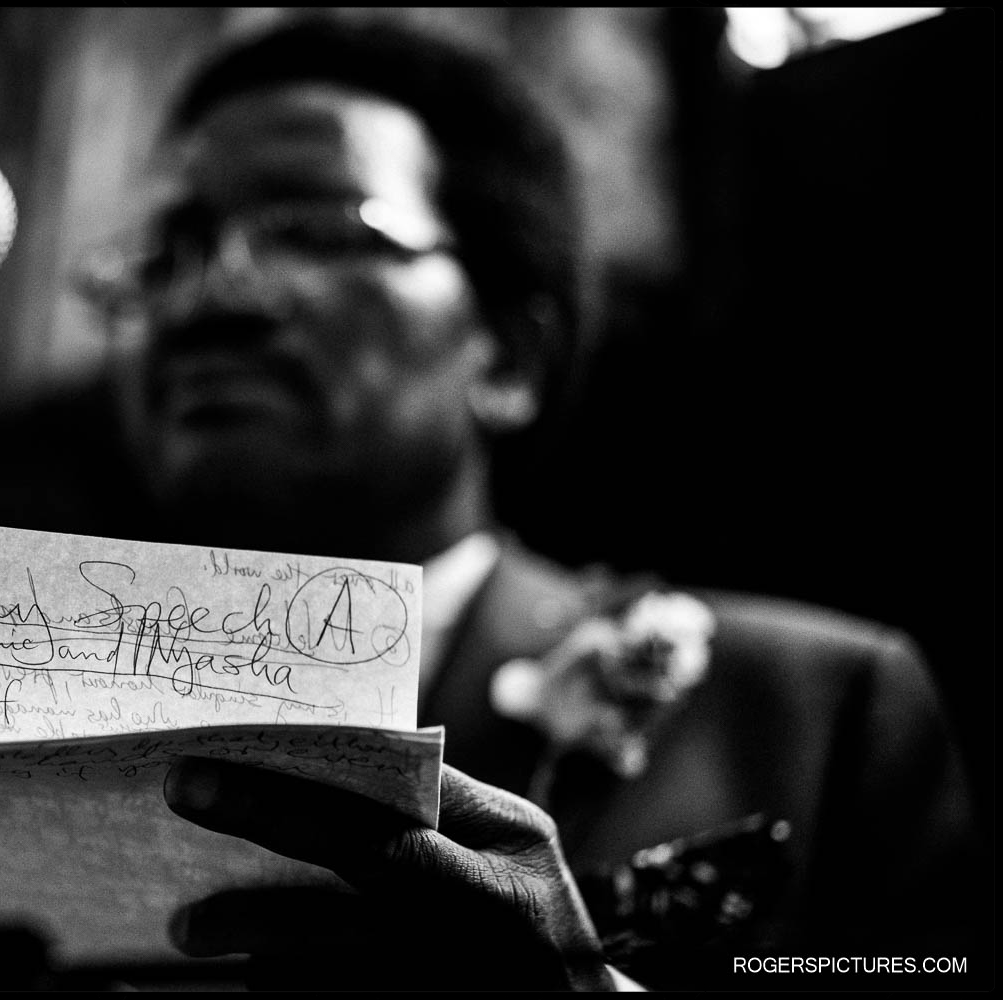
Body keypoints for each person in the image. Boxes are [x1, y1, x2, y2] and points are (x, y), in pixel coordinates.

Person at [79, 16, 983, 990]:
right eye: (170, 250)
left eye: (308, 230)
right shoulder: (22, 737)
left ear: (504, 357)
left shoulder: (813, 714)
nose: (210, 297)